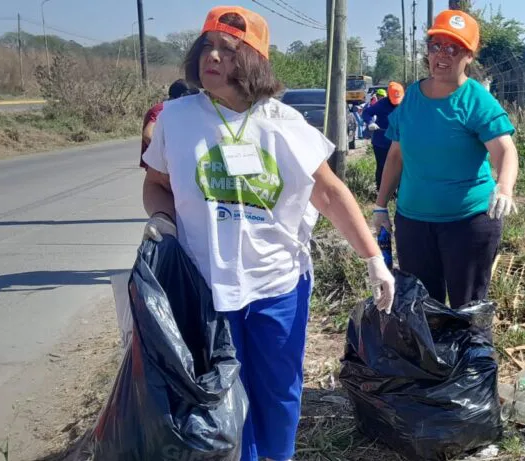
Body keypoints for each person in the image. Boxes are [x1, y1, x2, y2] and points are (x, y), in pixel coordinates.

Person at [141, 6, 395, 461]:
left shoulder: (285, 124)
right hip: (206, 285)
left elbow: (331, 194)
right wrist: (162, 221)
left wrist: (373, 259)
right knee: (223, 394)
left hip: (277, 286)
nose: (212, 58)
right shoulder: (176, 120)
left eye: (228, 50)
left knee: (278, 393)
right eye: (207, 47)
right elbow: (155, 184)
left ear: (254, 60)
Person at [373, 10, 519, 309]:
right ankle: (432, 357)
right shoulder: (412, 97)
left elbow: (505, 150)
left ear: (469, 56)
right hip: (414, 224)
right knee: (423, 307)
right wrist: (380, 204)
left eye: (453, 48)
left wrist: (504, 188)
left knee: (468, 310)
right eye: (435, 45)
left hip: (468, 224)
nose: (442, 54)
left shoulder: (476, 100)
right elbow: (396, 155)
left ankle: (471, 356)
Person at [140, 79, 196, 166]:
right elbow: (147, 135)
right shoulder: (162, 109)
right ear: (182, 96)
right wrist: (165, 156)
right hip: (159, 166)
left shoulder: (173, 109)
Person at [362, 82, 402, 192]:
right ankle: (381, 191)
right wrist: (370, 122)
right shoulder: (382, 104)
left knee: (400, 167)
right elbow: (366, 113)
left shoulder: (406, 104)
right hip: (381, 143)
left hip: (399, 142)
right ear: (388, 95)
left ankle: (398, 192)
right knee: (383, 166)